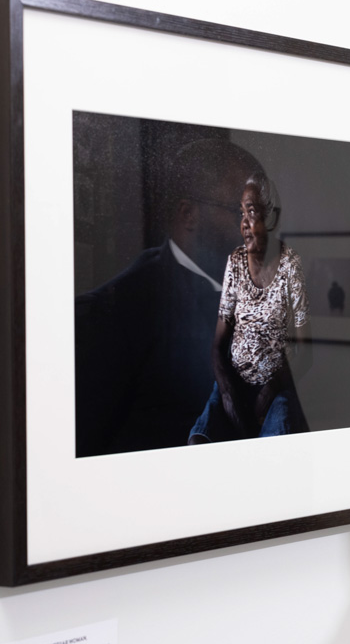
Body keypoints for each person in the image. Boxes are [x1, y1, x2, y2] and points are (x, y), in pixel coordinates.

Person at [74, 138, 265, 457]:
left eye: (262, 214)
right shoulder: (111, 313)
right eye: (242, 213)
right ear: (188, 214)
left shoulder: (262, 297)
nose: (258, 231)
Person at [188, 169, 311, 441]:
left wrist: (268, 393)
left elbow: (306, 351)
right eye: (241, 213)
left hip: (276, 387)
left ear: (270, 218)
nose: (243, 222)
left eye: (252, 213)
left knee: (273, 446)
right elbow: (218, 346)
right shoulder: (235, 262)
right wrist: (229, 396)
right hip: (234, 382)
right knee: (200, 439)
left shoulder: (291, 265)